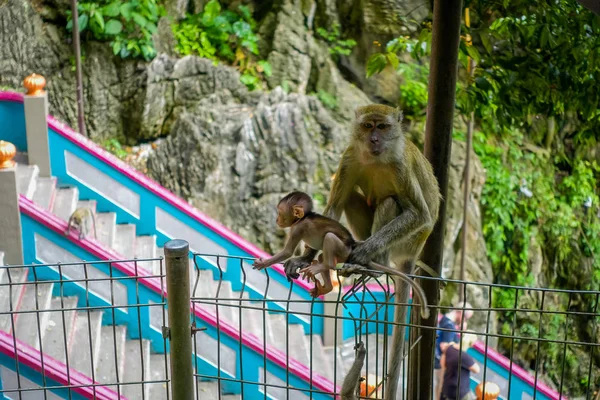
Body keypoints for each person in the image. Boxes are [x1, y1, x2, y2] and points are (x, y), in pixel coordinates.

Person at [434, 303, 474, 400]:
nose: (465, 320)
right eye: (466, 318)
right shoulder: (449, 326)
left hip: (439, 361)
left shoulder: (445, 320)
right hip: (442, 364)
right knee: (442, 390)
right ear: (460, 313)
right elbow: (445, 347)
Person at [440, 333, 480, 400]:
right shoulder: (464, 357)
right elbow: (477, 370)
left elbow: (443, 365)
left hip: (447, 387)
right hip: (460, 391)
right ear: (471, 343)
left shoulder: (449, 348)